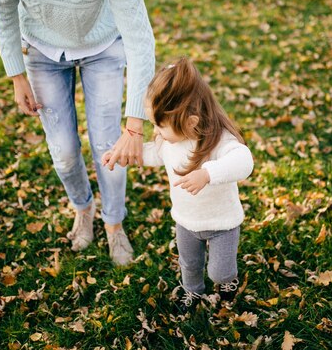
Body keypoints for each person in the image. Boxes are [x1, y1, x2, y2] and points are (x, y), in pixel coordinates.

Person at [0, 0, 155, 265]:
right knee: (62, 150)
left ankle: (114, 223)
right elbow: (1, 7)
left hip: (103, 48)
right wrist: (16, 74)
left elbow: (139, 35)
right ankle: (83, 208)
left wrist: (134, 123)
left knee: (109, 144)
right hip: (42, 51)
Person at [104, 58, 253, 312]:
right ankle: (192, 290)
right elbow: (153, 154)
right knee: (189, 264)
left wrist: (207, 174)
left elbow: (244, 161)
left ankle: (228, 281)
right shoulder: (169, 141)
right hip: (185, 220)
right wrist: (125, 157)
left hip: (222, 224)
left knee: (220, 272)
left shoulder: (218, 140)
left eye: (160, 125)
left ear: (191, 121)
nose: (156, 132)